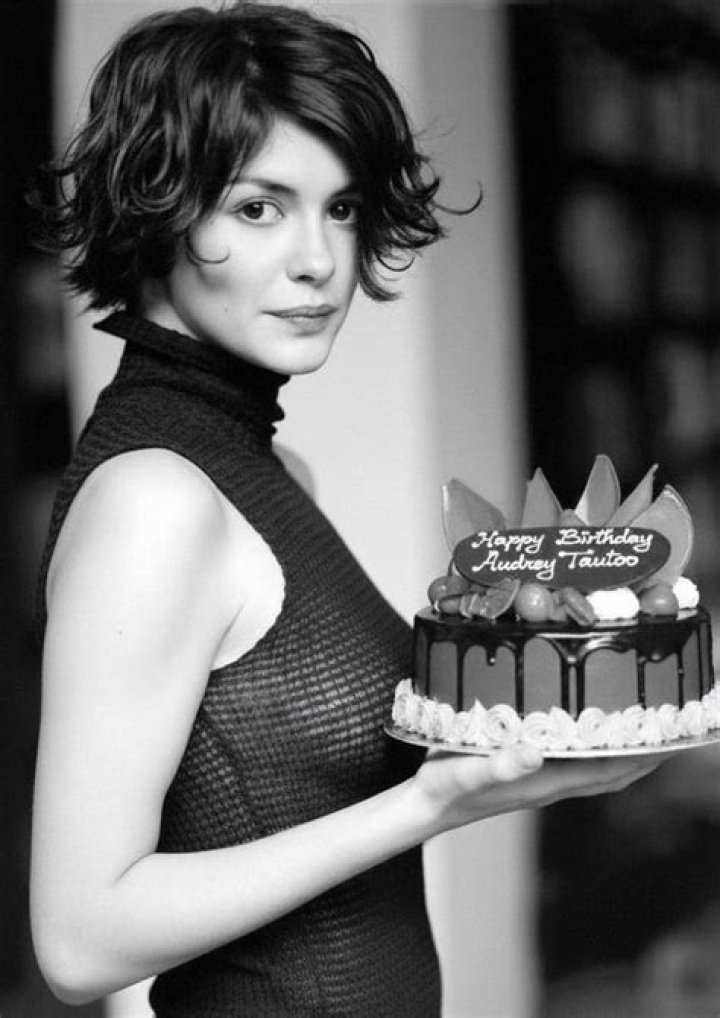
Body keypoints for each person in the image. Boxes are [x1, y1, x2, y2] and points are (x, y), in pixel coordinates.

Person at [30, 4, 662, 1015]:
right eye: (258, 208)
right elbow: (79, 940)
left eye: (342, 207)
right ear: (156, 209)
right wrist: (430, 804)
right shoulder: (155, 498)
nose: (320, 261)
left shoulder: (264, 468)